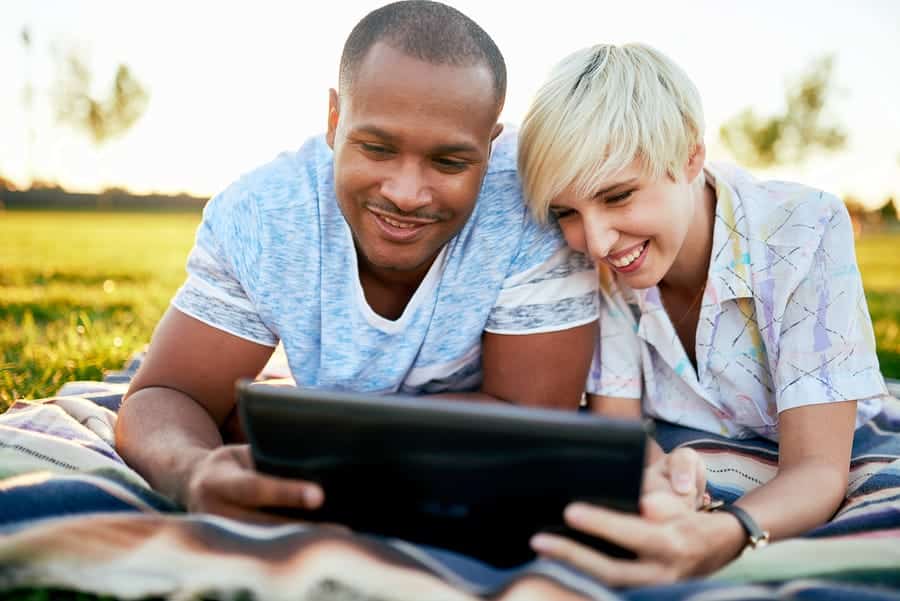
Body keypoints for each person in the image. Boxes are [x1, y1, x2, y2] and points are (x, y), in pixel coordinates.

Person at [114, 0, 604, 525]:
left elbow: (534, 431)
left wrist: (316, 436)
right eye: (376, 147)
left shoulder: (534, 203)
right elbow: (166, 393)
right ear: (334, 119)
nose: (407, 193)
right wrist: (193, 472)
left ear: (491, 142)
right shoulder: (265, 216)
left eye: (449, 161)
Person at [517, 43, 891, 584]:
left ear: (691, 157)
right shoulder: (595, 264)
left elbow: (816, 468)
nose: (595, 240)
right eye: (566, 211)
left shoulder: (803, 228)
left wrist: (723, 535)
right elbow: (619, 430)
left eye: (618, 196)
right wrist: (661, 481)